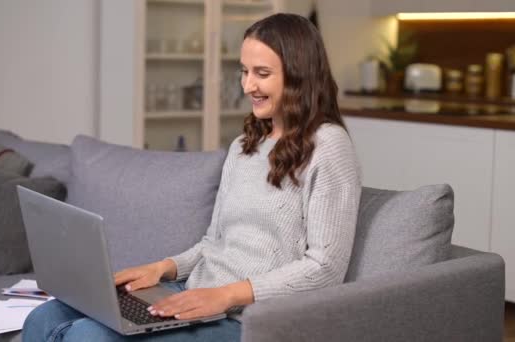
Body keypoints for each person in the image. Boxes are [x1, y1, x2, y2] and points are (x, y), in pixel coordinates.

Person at [22, 13, 362, 342]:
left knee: (88, 336)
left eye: (262, 73)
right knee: (45, 317)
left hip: (251, 320)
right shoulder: (245, 144)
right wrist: (163, 267)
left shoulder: (329, 145)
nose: (248, 85)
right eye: (244, 71)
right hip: (197, 296)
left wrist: (226, 295)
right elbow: (213, 243)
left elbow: (325, 268)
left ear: (300, 77)